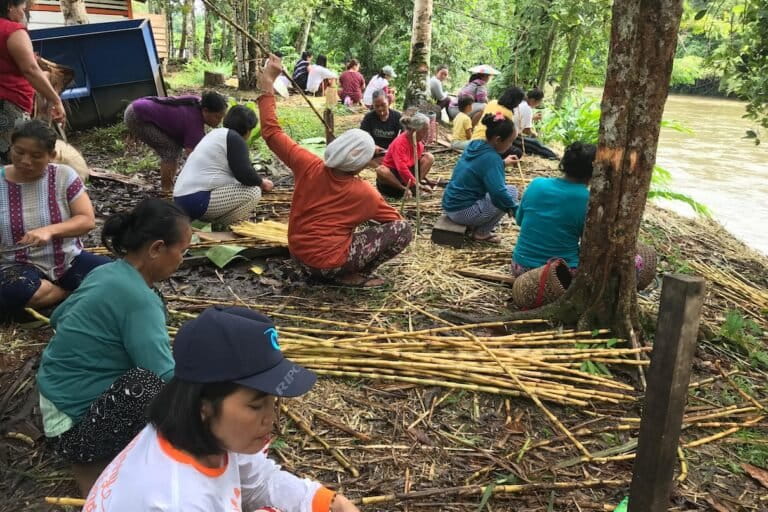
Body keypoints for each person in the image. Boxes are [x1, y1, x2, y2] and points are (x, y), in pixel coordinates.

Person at [83, 306, 361, 512]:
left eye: (272, 403)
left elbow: (258, 481)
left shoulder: (202, 433)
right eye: (256, 405)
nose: (271, 420)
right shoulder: (176, 498)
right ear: (204, 406)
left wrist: (328, 504)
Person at [36, 198, 191, 496]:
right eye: (182, 252)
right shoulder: (137, 299)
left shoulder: (107, 272)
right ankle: (93, 464)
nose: (182, 260)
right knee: (149, 386)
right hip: (74, 433)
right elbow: (164, 374)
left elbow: (59, 316)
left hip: (55, 403)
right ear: (157, 248)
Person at [259, 54, 412, 288]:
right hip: (329, 265)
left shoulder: (307, 163)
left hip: (299, 257)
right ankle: (350, 275)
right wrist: (356, 218)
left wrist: (268, 82)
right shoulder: (365, 193)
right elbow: (395, 223)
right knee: (403, 230)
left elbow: (271, 133)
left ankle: (339, 269)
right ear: (362, 163)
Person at [0, 121, 108, 312]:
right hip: (14, 266)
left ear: (52, 156)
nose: (25, 161)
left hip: (66, 260)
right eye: (19, 152)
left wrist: (50, 230)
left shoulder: (64, 176)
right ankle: (71, 293)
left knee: (121, 277)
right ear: (10, 148)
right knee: (17, 289)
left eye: (36, 156)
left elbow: (86, 220)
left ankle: (57, 296)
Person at [174, 105, 274, 228]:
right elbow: (244, 174)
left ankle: (216, 224)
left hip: (181, 198)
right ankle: (224, 226)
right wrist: (262, 183)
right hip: (197, 200)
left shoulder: (216, 134)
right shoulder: (235, 138)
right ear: (248, 130)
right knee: (253, 191)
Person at [512, 142, 595, 275]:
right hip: (559, 275)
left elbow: (519, 220)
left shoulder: (536, 184)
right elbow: (590, 242)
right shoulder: (588, 200)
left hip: (521, 267)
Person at [0, 0, 66, 164]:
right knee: (14, 161)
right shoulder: (12, 31)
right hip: (8, 103)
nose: (23, 14)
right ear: (10, 6)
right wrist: (55, 100)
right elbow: (30, 69)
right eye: (22, 9)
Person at [124, 92, 228, 194]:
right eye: (217, 117)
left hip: (139, 106)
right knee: (171, 151)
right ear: (205, 110)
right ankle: (166, 191)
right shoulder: (193, 121)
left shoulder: (198, 103)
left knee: (175, 148)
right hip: (137, 116)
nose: (219, 121)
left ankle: (169, 187)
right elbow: (193, 155)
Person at [443, 113, 520, 244]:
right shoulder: (492, 158)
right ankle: (481, 233)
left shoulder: (476, 144)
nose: (511, 145)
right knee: (511, 193)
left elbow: (479, 167)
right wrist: (515, 209)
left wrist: (503, 163)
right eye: (510, 141)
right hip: (462, 212)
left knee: (506, 193)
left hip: (450, 204)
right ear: (498, 139)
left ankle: (476, 223)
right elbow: (498, 193)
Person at [376, 112, 435, 199]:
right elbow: (401, 168)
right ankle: (404, 189)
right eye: (425, 130)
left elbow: (416, 166)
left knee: (428, 157)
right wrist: (416, 183)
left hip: (408, 176)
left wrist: (425, 181)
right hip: (394, 178)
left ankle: (414, 188)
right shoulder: (400, 143)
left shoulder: (419, 144)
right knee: (381, 170)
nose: (427, 133)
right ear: (415, 131)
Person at [471, 86, 525, 158]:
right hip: (488, 143)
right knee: (517, 152)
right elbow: (505, 136)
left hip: (474, 139)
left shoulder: (492, 102)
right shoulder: (508, 113)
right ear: (517, 101)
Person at [512, 88, 558, 160]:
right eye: (538, 102)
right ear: (533, 100)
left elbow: (519, 119)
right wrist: (535, 134)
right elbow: (526, 131)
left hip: (511, 133)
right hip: (513, 138)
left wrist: (532, 118)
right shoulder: (527, 109)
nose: (538, 105)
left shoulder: (520, 103)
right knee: (536, 144)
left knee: (532, 142)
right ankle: (553, 156)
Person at [359, 89, 402, 157]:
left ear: (388, 102)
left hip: (393, 153)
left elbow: (403, 137)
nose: (380, 109)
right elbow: (363, 137)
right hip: (374, 153)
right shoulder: (369, 117)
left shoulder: (397, 117)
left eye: (383, 105)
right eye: (377, 106)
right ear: (373, 105)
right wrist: (373, 146)